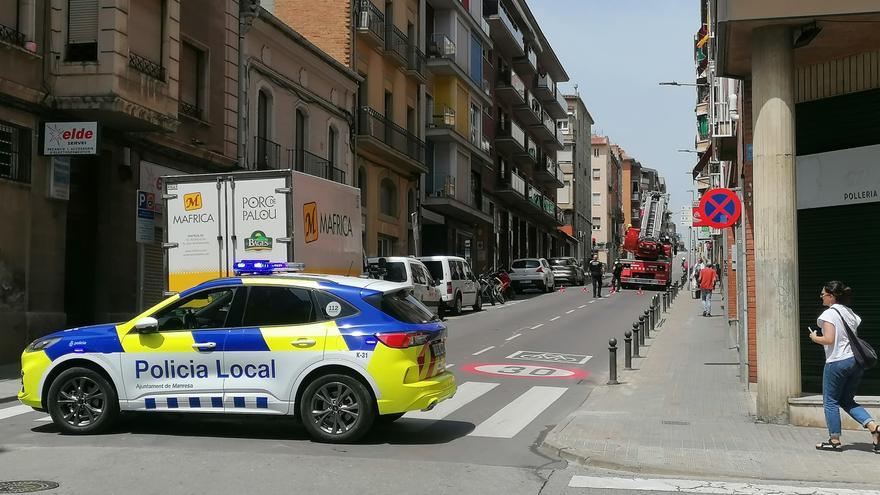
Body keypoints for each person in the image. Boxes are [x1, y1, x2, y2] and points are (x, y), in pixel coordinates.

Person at [810, 281, 879, 452]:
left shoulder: (829, 314)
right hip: (855, 362)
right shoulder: (849, 313)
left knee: (830, 402)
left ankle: (834, 440)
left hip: (837, 361)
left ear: (831, 297)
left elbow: (829, 339)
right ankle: (875, 429)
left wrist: (814, 337)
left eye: (823, 294)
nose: (821, 297)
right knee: (846, 400)